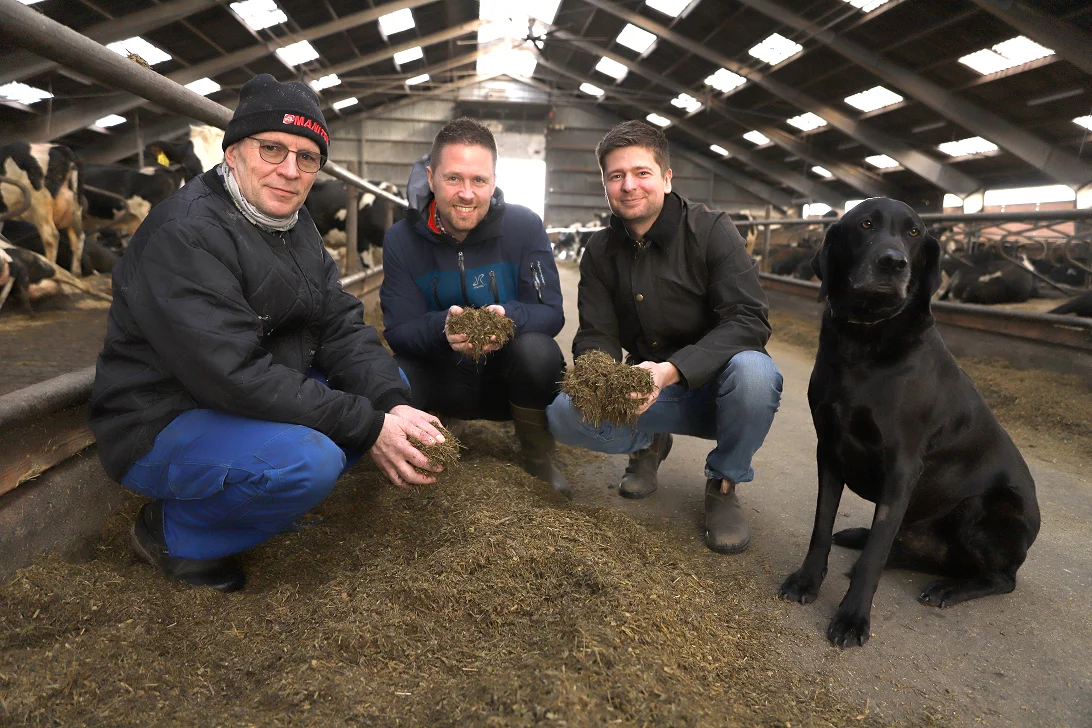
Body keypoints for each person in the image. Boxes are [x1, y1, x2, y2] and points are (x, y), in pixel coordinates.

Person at [89, 74, 444, 592]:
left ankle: (261, 496)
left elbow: (341, 323)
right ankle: (171, 533)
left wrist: (388, 403)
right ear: (233, 152)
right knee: (311, 458)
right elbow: (231, 375)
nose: (289, 171)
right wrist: (367, 427)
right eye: (272, 149)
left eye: (307, 158)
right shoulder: (185, 233)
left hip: (235, 398)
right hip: (160, 417)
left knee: (388, 395)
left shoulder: (295, 225)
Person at [546, 120, 783, 554]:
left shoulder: (710, 230)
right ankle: (646, 447)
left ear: (666, 177)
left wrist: (672, 371)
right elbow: (597, 334)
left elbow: (749, 319)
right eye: (616, 176)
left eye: (641, 173)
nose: (628, 186)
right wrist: (603, 379)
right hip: (643, 389)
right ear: (604, 184)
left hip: (717, 389)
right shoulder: (599, 250)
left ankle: (725, 482)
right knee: (564, 412)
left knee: (755, 373)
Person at [379, 118, 569, 495]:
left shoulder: (525, 226)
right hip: (444, 379)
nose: (467, 193)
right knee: (392, 371)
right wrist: (442, 329)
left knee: (540, 351)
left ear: (493, 181)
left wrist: (509, 317)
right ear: (431, 177)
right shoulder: (401, 239)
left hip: (505, 381)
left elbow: (552, 311)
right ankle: (423, 447)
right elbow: (399, 332)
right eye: (453, 179)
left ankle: (536, 452)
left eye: (479, 180)